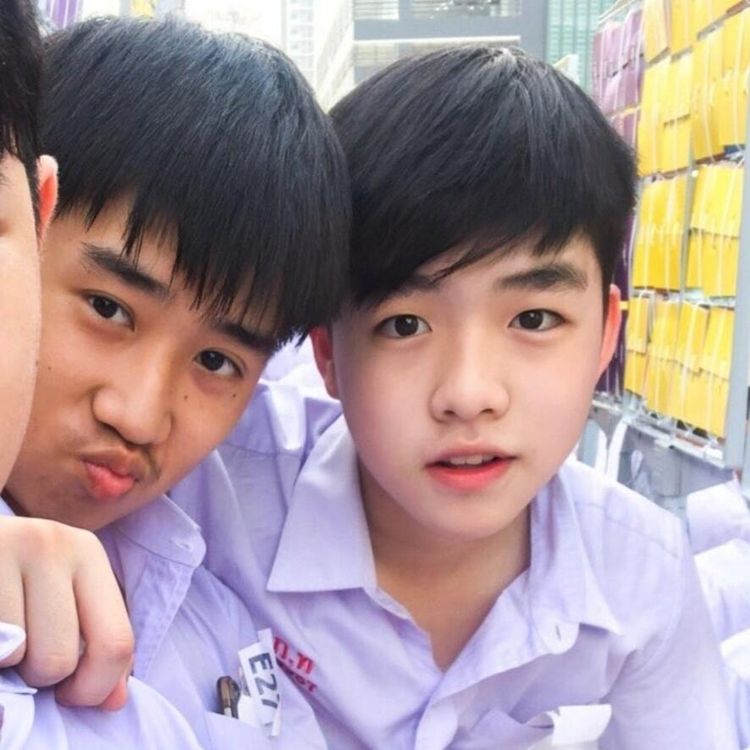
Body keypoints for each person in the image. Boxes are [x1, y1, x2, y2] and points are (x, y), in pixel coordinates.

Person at [0, 42, 738, 749]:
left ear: (608, 336)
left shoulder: (641, 576)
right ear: (326, 353)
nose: (469, 395)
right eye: (405, 324)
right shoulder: (199, 486)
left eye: (535, 320)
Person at [0, 11, 348, 748]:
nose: (138, 414)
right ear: (30, 220)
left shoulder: (218, 627)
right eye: (109, 309)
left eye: (217, 362)